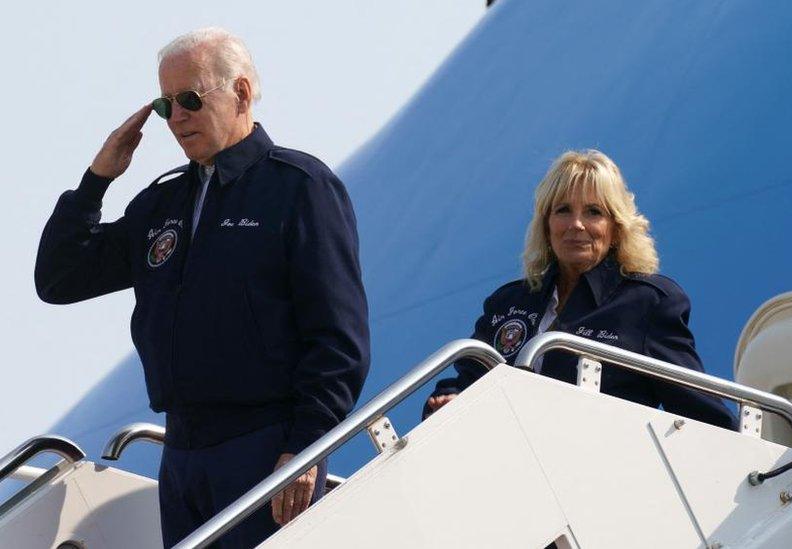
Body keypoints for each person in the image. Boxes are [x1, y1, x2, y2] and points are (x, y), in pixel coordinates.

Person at [35, 27, 370, 547]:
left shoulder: (299, 188)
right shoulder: (160, 204)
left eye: (190, 99)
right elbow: (60, 278)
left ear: (240, 92)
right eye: (165, 106)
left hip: (265, 445)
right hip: (184, 453)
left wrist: (306, 446)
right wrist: (97, 179)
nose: (178, 117)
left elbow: (337, 339)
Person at [424, 150, 736, 429]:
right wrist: (446, 399)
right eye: (562, 210)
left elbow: (702, 416)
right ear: (546, 225)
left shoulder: (647, 302)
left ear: (616, 227)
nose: (576, 224)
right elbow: (467, 381)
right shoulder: (508, 302)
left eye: (593, 212)